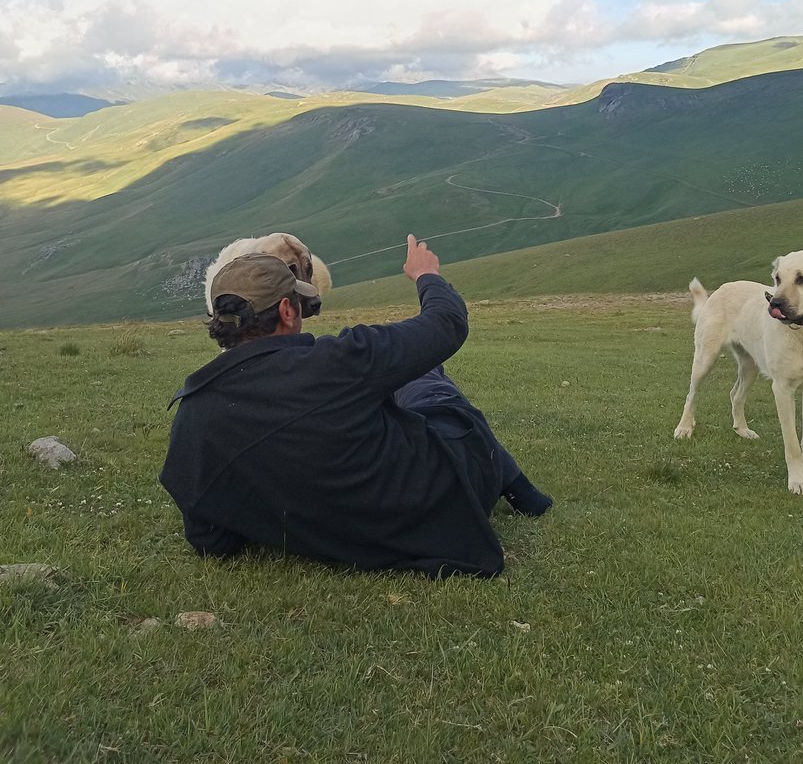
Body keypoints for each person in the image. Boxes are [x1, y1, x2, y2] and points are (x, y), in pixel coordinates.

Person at [159, 235, 552, 578]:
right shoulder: (340, 361)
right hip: (438, 503)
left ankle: (524, 491)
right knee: (433, 390)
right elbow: (447, 322)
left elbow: (210, 540)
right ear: (286, 310)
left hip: (335, 536)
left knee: (399, 393)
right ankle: (524, 492)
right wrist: (425, 274)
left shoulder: (194, 412)